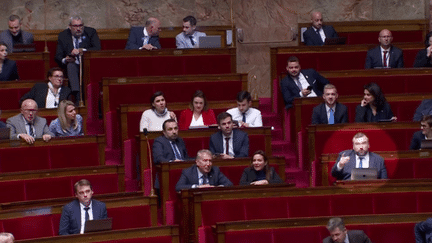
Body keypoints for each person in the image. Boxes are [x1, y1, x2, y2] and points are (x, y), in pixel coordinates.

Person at [55, 16, 101, 103]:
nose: (78, 29)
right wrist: (66, 59)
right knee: (71, 66)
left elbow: (97, 48)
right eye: (75, 26)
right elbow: (58, 56)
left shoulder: (91, 32)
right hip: (73, 65)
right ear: (70, 26)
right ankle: (77, 95)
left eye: (80, 26)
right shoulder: (63, 35)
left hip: (88, 65)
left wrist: (82, 51)